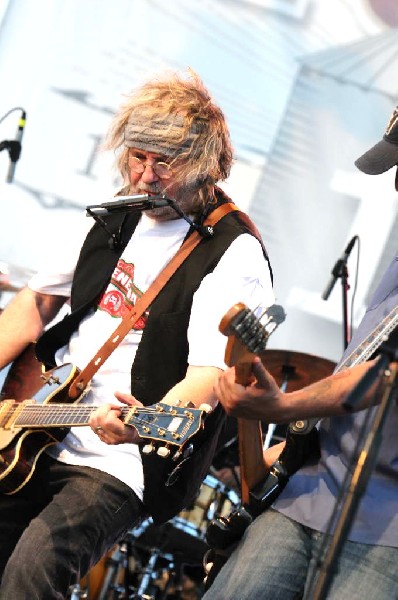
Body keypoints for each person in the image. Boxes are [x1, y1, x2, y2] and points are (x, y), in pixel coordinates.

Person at [0, 69, 274, 599]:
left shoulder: (233, 252)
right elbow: (33, 307)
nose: (146, 177)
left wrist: (144, 426)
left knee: (32, 573)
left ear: (206, 165)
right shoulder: (114, 217)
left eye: (165, 163)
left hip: (123, 456)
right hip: (39, 425)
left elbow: (207, 377)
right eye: (138, 156)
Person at [203, 106, 398, 599]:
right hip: (310, 490)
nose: (396, 184)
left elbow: (383, 375)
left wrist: (281, 406)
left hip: (387, 529)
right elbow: (365, 368)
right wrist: (279, 435)